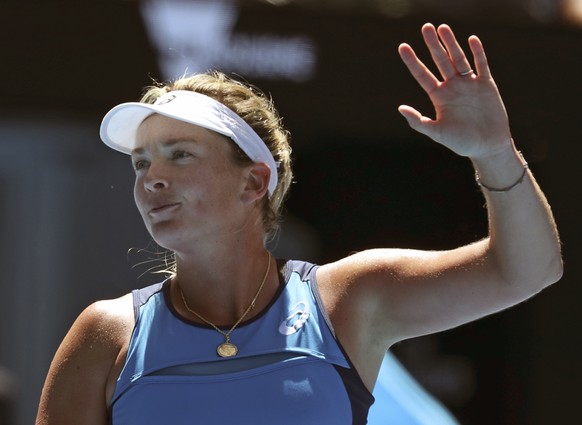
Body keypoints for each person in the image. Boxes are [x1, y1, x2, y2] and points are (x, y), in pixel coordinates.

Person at [35, 23, 562, 425]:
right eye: (142, 163)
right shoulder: (104, 334)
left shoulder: (349, 300)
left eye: (180, 155)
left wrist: (495, 152)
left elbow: (528, 270)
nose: (152, 178)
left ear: (253, 182)